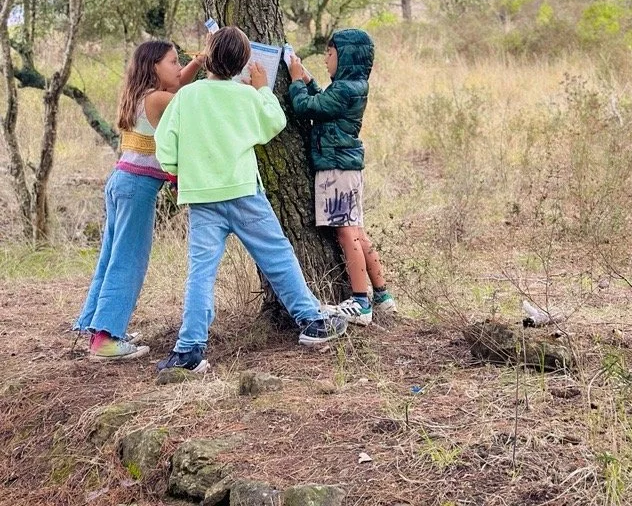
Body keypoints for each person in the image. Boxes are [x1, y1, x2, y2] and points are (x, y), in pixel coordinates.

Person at [154, 26, 347, 374]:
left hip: (202, 198)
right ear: (245, 63)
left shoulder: (187, 97)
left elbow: (165, 149)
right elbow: (274, 122)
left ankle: (188, 350)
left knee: (200, 274)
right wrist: (261, 90)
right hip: (244, 192)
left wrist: (183, 170)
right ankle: (312, 321)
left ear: (208, 58)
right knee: (277, 256)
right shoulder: (246, 97)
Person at [74, 40, 203, 361]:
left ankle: (96, 326)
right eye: (173, 62)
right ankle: (105, 339)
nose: (178, 67)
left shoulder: (139, 97)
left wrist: (197, 62)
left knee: (111, 256)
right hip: (137, 188)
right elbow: (186, 97)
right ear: (154, 67)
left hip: (120, 182)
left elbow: (178, 83)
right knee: (129, 260)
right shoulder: (160, 99)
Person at [288, 29, 396, 326]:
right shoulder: (352, 86)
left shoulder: (346, 89)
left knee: (346, 232)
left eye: (330, 53)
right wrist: (309, 81)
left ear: (345, 56)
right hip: (347, 166)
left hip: (336, 168)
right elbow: (325, 103)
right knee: (357, 230)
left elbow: (306, 108)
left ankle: (361, 302)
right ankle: (383, 296)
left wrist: (297, 82)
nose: (325, 59)